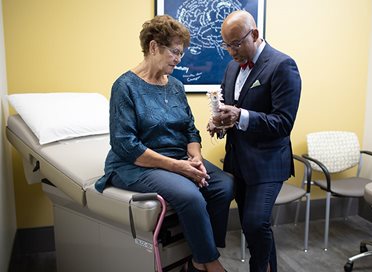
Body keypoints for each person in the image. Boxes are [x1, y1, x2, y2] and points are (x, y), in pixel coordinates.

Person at [94, 15, 233, 272]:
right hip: (135, 164)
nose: (179, 59)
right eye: (175, 52)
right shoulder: (125, 87)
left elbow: (189, 129)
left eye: (181, 53)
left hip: (176, 157)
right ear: (154, 46)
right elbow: (126, 144)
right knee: (190, 195)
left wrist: (195, 158)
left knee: (223, 184)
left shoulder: (176, 86)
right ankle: (210, 262)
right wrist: (179, 167)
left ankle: (198, 259)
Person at [208, 10, 302, 272]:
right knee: (256, 228)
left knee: (255, 223)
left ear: (255, 34)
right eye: (226, 45)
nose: (231, 52)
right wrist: (219, 122)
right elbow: (229, 109)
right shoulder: (230, 67)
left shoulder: (283, 65)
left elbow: (283, 123)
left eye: (236, 44)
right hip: (238, 160)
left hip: (268, 161)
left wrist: (241, 116)